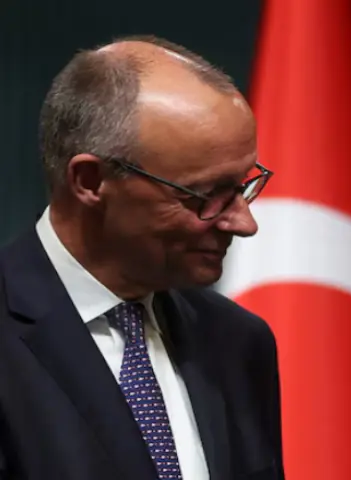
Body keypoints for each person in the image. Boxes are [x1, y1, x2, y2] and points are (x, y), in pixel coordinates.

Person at [0, 35, 284, 480]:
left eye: (243, 185)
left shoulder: (239, 343)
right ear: (90, 181)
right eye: (207, 195)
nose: (244, 223)